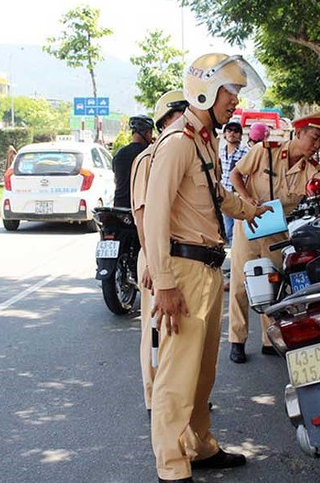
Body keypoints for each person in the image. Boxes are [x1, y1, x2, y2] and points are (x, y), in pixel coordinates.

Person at [144, 53, 271, 483]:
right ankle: (171, 467)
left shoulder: (201, 141)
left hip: (208, 271)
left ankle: (199, 447)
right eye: (230, 92)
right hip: (182, 272)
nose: (235, 102)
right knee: (177, 377)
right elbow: (156, 214)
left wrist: (247, 208)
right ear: (204, 90)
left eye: (236, 93)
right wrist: (162, 281)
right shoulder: (177, 142)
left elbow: (214, 194)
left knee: (201, 373)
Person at [226, 110, 320, 363]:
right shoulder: (265, 151)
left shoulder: (312, 169)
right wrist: (246, 197)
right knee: (241, 284)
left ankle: (270, 339)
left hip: (276, 229)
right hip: (249, 223)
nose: (317, 145)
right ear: (297, 134)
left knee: (273, 284)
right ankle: (237, 340)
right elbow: (235, 175)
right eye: (313, 138)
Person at [130, 89, 188, 414]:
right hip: (154, 256)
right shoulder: (147, 159)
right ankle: (155, 399)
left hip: (181, 258)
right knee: (154, 332)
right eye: (180, 114)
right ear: (166, 120)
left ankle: (180, 397)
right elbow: (143, 214)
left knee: (179, 333)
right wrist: (152, 260)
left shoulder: (187, 152)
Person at [112, 115, 154, 208]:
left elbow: (116, 179)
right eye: (151, 133)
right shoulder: (147, 154)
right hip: (138, 207)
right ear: (147, 133)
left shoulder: (120, 154)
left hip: (119, 206)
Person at [219, 120, 248, 245]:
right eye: (229, 130)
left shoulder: (246, 152)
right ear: (224, 134)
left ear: (241, 136)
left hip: (240, 197)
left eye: (236, 131)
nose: (232, 133)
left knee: (239, 232)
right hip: (224, 196)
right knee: (228, 231)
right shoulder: (219, 152)